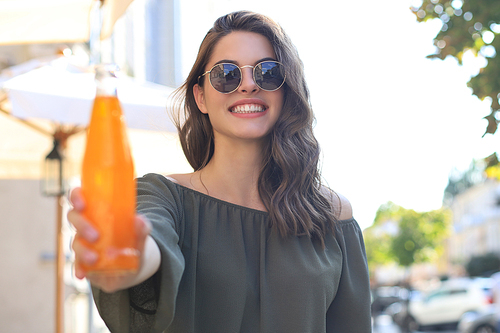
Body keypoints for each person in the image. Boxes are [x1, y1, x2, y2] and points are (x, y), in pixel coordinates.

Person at [68, 10, 372, 333]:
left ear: (285, 90)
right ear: (200, 97)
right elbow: (149, 240)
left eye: (267, 72)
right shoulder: (163, 196)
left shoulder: (333, 216)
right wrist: (131, 257)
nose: (249, 85)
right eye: (227, 74)